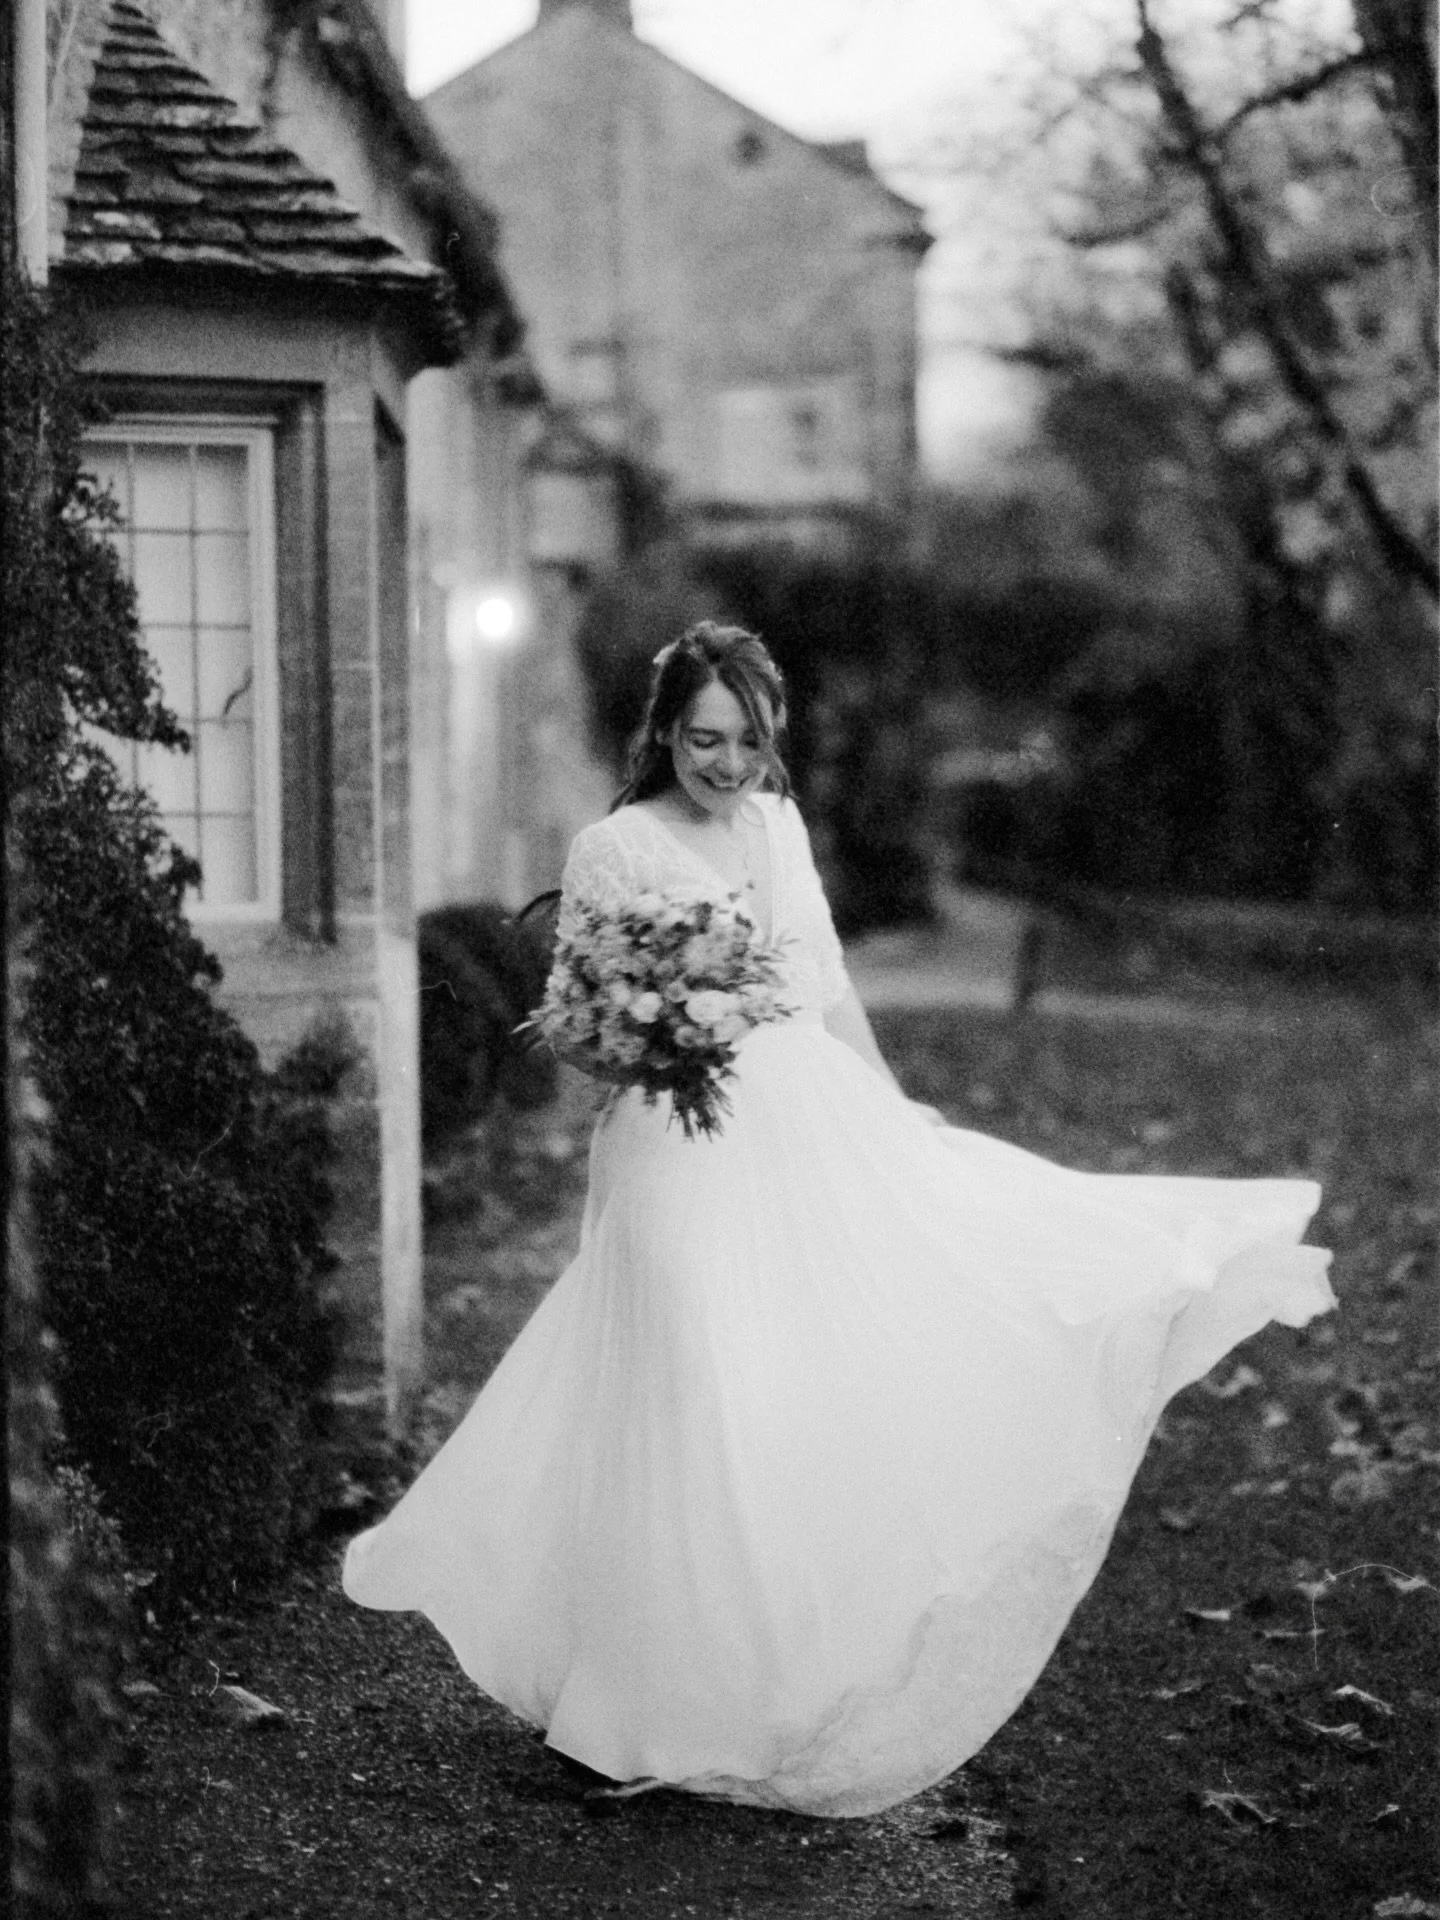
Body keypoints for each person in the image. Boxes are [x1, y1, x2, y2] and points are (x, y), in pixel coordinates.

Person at [342, 621, 1334, 1819]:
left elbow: (826, 987)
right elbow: (577, 1025)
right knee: (682, 1391)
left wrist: (894, 1116)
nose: (727, 763)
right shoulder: (612, 846)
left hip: (801, 1131)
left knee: (774, 1403)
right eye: (705, 739)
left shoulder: (777, 825)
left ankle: (728, 1694)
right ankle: (615, 1714)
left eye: (749, 743)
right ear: (663, 732)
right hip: (671, 1149)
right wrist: (639, 1036)